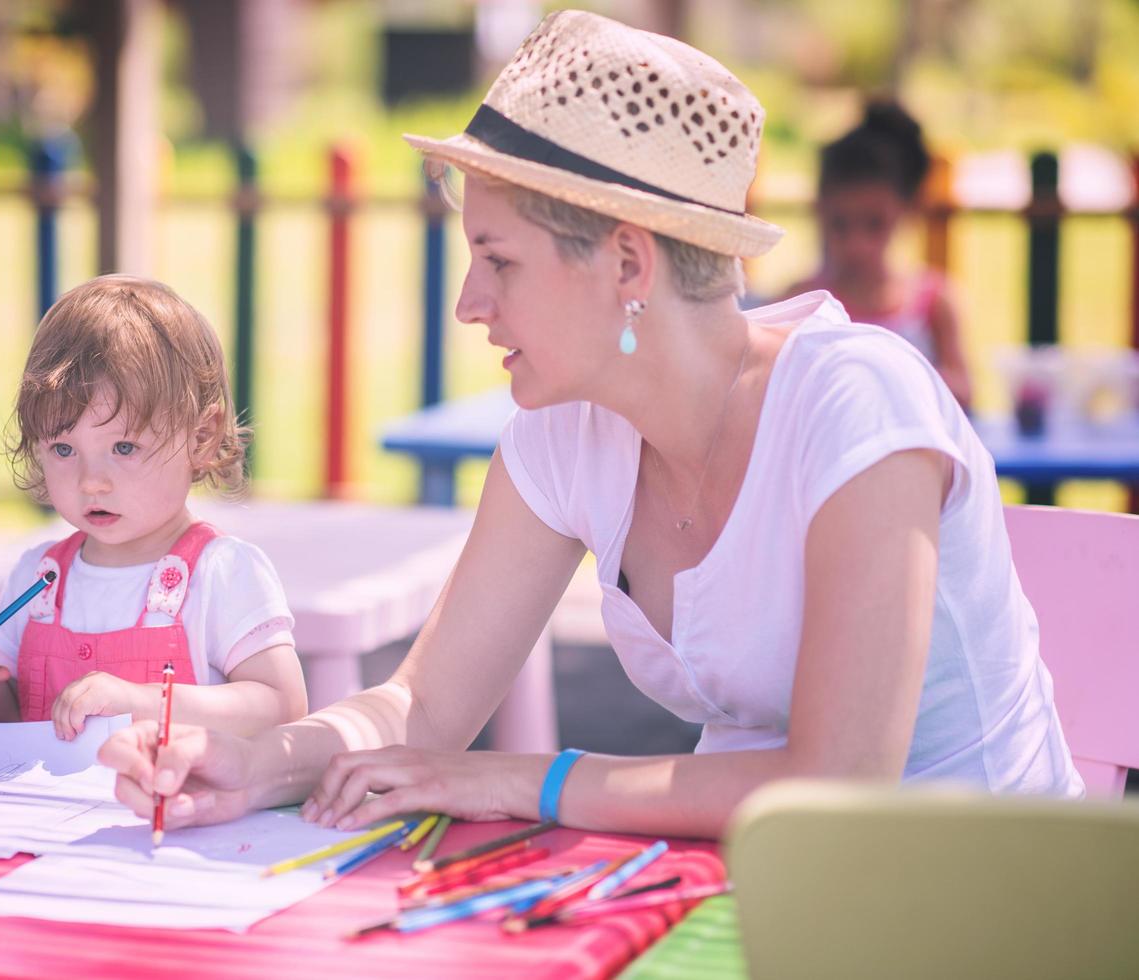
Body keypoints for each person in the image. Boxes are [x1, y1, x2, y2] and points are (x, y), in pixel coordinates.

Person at [99, 10, 1083, 840]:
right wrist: (248, 762)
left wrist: (520, 777)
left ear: (625, 265)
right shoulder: (565, 432)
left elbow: (839, 783)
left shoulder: (854, 404)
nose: (467, 304)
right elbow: (423, 705)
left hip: (975, 907)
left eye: (499, 259)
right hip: (752, 893)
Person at [0, 275, 308, 740]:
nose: (92, 481)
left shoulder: (222, 572)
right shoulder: (39, 579)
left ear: (200, 437)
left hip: (173, 809)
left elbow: (282, 704)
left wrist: (141, 703)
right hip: (47, 812)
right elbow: (17, 721)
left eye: (125, 447)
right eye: (63, 449)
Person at [785, 101, 972, 408]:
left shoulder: (932, 303)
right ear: (819, 212)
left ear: (907, 210)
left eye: (874, 224)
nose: (858, 244)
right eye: (840, 224)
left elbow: (964, 393)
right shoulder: (798, 304)